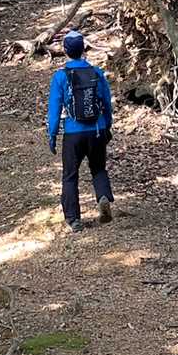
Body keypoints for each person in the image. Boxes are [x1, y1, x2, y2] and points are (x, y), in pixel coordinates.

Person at [45, 30, 114, 231]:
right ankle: (103, 196)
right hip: (97, 129)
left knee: (70, 175)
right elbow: (106, 103)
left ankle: (74, 219)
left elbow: (54, 109)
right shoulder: (97, 73)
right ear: (83, 49)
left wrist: (52, 135)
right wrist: (107, 125)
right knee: (98, 168)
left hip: (73, 133)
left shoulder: (60, 76)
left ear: (65, 51)